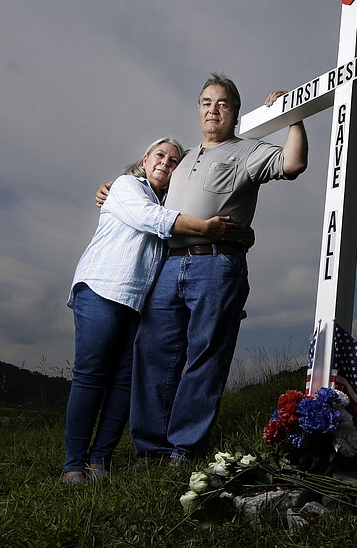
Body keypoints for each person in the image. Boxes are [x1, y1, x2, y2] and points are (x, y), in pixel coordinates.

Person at [99, 73, 308, 465]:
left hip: (217, 263)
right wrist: (112, 189)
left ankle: (184, 448)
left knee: (205, 354)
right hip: (167, 265)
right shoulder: (185, 159)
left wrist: (293, 117)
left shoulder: (248, 151)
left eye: (223, 103)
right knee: (152, 352)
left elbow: (294, 163)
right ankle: (150, 448)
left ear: (235, 112)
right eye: (206, 103)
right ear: (199, 110)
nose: (214, 110)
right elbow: (150, 191)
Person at [62, 136, 244, 485]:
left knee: (123, 383)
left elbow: (170, 227)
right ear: (145, 160)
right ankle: (73, 464)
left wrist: (235, 236)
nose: (166, 162)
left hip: (138, 303)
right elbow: (151, 218)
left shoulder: (167, 203)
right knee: (91, 375)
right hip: (102, 289)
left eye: (175, 160)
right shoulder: (127, 186)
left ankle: (100, 460)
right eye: (160, 155)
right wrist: (205, 228)